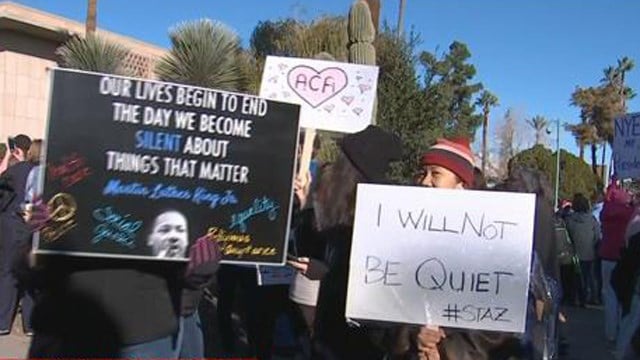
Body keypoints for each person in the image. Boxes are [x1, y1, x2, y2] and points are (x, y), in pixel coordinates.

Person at [288, 125, 402, 359]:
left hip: (358, 336)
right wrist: (306, 206)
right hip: (331, 328)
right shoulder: (335, 204)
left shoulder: (380, 214)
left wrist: (327, 272)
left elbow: (369, 277)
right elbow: (313, 249)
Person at [0, 134, 34, 335]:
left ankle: (3, 321)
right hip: (31, 226)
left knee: (7, 272)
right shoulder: (38, 172)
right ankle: (30, 324)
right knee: (29, 275)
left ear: (17, 150)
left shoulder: (12, 173)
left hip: (10, 224)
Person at [600, 184, 634, 347]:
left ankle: (610, 332)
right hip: (623, 256)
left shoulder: (605, 212)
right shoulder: (630, 214)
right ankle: (622, 330)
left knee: (609, 295)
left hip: (607, 256)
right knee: (625, 296)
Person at [564, 193, 600, 306]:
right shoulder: (592, 220)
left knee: (575, 277)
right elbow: (597, 236)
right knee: (588, 276)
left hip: (574, 253)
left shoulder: (569, 220)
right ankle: (589, 297)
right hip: (589, 253)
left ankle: (574, 298)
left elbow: (567, 236)